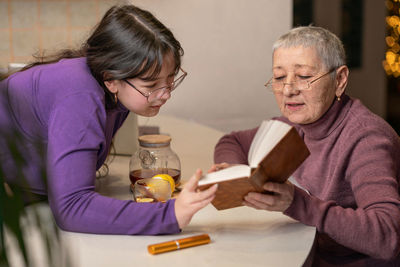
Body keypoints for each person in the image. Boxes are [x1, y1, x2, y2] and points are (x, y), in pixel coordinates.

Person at [0, 4, 217, 235]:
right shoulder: (79, 96)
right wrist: (170, 215)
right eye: (151, 85)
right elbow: (72, 207)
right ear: (111, 79)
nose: (166, 94)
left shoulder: (114, 91)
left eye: (171, 78)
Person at [211, 26, 400, 266]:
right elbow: (232, 141)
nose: (288, 90)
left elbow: (388, 236)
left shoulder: (366, 138)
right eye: (279, 78)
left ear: (339, 79)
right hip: (302, 251)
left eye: (304, 77)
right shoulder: (291, 125)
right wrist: (236, 176)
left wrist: (297, 203)